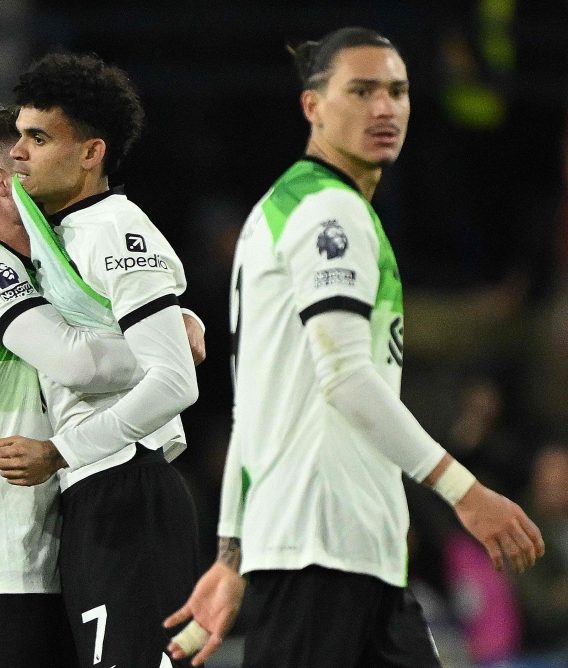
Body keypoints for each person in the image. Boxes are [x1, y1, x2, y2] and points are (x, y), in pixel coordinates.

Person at [163, 27, 545, 668]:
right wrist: (466, 492)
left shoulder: (283, 208)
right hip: (323, 549)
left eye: (397, 91)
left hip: (352, 556)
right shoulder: (329, 213)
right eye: (362, 91)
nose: (384, 108)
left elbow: (254, 406)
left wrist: (232, 555)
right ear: (312, 106)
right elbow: (345, 377)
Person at [0, 53, 202, 668]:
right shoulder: (62, 229)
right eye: (18, 135)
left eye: (38, 138)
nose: (18, 152)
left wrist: (60, 451)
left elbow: (175, 382)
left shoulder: (114, 229)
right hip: (94, 493)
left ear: (91, 153)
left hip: (129, 490)